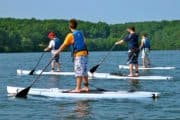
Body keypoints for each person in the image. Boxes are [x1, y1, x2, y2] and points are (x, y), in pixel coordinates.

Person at [55, 19, 89, 93]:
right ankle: (86, 87)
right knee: (84, 71)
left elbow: (64, 45)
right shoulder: (81, 33)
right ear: (76, 25)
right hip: (85, 54)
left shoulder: (70, 35)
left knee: (79, 71)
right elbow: (84, 41)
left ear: (69, 26)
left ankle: (78, 88)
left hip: (79, 55)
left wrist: (57, 51)